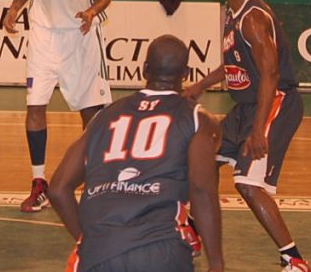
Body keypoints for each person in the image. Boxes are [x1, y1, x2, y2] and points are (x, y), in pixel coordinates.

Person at [48, 35, 224, 272]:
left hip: (99, 251)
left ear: (145, 69)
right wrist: (216, 263)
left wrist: (89, 239)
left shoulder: (104, 116)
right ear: (186, 73)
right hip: (161, 248)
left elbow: (58, 189)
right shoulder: (198, 119)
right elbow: (201, 189)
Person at [184, 0, 310, 271]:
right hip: (247, 106)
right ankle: (193, 231)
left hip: (276, 103)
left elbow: (270, 74)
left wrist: (257, 130)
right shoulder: (233, 12)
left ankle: (294, 260)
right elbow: (233, 64)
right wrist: (200, 85)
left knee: (248, 184)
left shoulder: (253, 17)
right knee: (202, 159)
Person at [1, 0, 114, 214]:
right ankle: (39, 182)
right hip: (43, 31)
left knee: (91, 113)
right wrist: (15, 7)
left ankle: (95, 180)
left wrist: (92, 11)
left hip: (79, 33)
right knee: (35, 105)